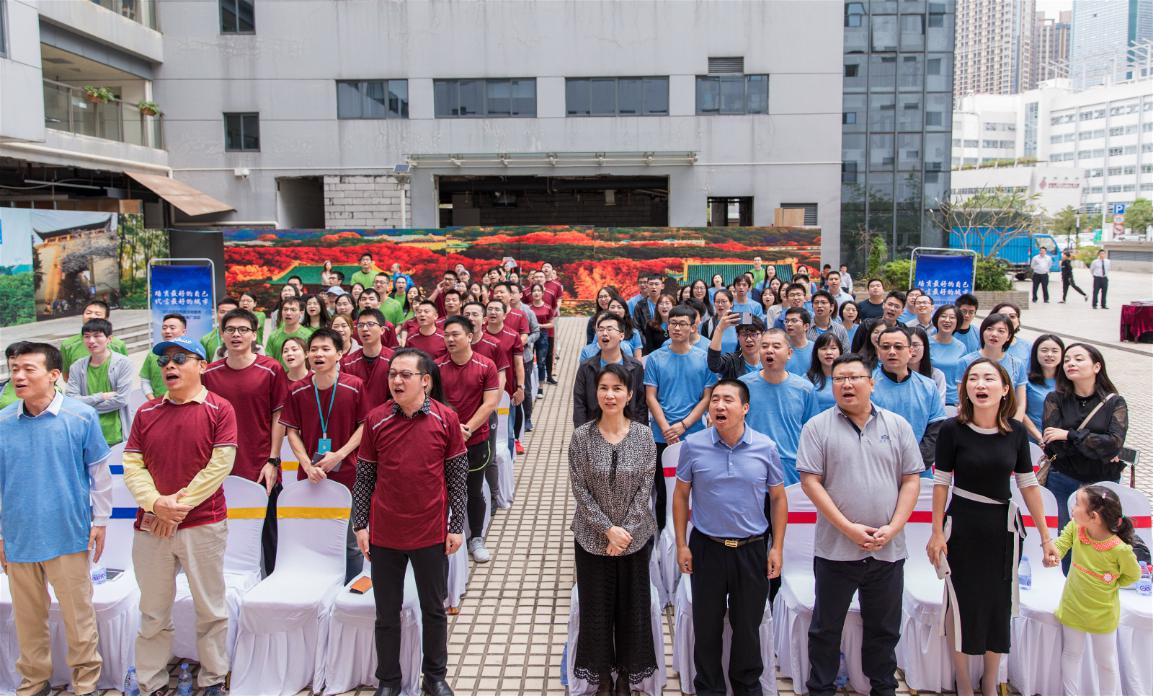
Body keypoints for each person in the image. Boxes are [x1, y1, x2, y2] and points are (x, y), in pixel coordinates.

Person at [927, 359, 1057, 696]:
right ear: (965, 388)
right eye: (973, 378)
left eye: (988, 378)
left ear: (1004, 389)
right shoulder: (952, 429)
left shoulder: (1015, 431)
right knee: (960, 602)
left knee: (999, 605)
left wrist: (1046, 538)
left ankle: (990, 679)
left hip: (1003, 530)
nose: (980, 384)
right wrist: (937, 532)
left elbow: (1028, 484)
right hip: (962, 527)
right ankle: (963, 681)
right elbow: (941, 483)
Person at [797, 354, 923, 696]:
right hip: (836, 550)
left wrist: (893, 527)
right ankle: (821, 689)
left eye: (854, 377)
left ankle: (882, 688)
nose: (847, 385)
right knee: (826, 629)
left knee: (884, 629)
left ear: (872, 383)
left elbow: (911, 480)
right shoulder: (817, 427)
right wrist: (848, 528)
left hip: (887, 550)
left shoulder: (897, 425)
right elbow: (810, 482)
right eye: (839, 379)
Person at [122, 336, 236, 696]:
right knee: (153, 612)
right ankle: (151, 682)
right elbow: (133, 465)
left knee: (211, 610)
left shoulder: (220, 409)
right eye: (164, 361)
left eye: (180, 358)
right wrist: (156, 504)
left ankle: (213, 678)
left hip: (203, 524)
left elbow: (219, 466)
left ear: (202, 366)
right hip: (151, 527)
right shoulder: (146, 412)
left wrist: (174, 509)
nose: (169, 365)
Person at [353, 349, 467, 696]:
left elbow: (457, 477)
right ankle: (389, 680)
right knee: (386, 612)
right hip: (385, 532)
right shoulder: (376, 420)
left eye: (405, 375)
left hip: (430, 531)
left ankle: (434, 676)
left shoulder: (446, 419)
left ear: (425, 381)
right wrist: (360, 524)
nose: (397, 381)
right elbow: (365, 476)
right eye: (392, 375)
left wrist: (456, 526)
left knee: (434, 609)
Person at [1, 342, 111, 696]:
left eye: (28, 369)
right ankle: (34, 682)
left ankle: (86, 683)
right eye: (14, 369)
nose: (18, 376)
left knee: (78, 616)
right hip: (19, 536)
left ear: (53, 375)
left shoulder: (81, 417)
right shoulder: (3, 422)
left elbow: (99, 475)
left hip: (68, 533)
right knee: (27, 619)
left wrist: (100, 521)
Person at [673, 379, 786, 696]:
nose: (719, 406)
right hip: (707, 547)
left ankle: (746, 686)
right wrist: (682, 544)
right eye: (715, 400)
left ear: (745, 408)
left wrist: (777, 547)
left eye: (728, 400)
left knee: (747, 627)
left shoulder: (765, 447)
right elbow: (681, 495)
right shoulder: (693, 445)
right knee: (706, 626)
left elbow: (778, 498)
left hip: (751, 549)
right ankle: (709, 687)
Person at [569, 363, 658, 695]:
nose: (610, 395)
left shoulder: (644, 436)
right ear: (596, 393)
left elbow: (645, 489)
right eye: (604, 388)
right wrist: (608, 530)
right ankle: (602, 676)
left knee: (632, 610)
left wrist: (624, 533)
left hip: (634, 540)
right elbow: (580, 490)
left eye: (617, 388)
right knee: (596, 610)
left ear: (630, 394)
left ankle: (626, 676)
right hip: (591, 540)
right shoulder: (582, 437)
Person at [202, 308, 289, 575]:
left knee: (269, 534)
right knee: (222, 530)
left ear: (254, 334)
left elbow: (279, 416)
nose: (236, 335)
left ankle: (272, 582)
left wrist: (273, 460)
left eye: (243, 330)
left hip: (261, 465)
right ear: (222, 334)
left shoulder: (271, 369)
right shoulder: (209, 374)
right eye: (230, 330)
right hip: (220, 468)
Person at [281, 328, 366, 582]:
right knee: (313, 537)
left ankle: (349, 587)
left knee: (350, 540)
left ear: (339, 354)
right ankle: (316, 585)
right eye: (314, 349)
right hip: (311, 476)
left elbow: (364, 426)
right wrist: (307, 465)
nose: (318, 354)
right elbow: (292, 431)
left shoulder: (354, 386)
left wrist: (339, 454)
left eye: (326, 349)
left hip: (348, 474)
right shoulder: (297, 390)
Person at [1051, 485, 1141, 696]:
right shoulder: (1076, 528)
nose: (1072, 508)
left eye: (1077, 504)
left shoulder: (1120, 550)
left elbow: (1133, 575)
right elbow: (1062, 543)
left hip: (1103, 614)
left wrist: (1110, 583)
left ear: (1094, 517)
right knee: (1071, 654)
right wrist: (1054, 554)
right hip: (1073, 606)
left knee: (1106, 662)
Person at [1041, 343, 1129, 550]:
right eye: (1067, 360)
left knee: (1101, 542)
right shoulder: (1055, 399)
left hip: (1103, 482)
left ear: (1097, 366)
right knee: (1065, 540)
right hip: (1063, 478)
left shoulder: (1114, 402)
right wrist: (1096, 444)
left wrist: (1069, 435)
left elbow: (1114, 444)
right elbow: (1055, 446)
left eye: (1078, 359)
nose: (1070, 363)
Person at [644, 306, 717, 531]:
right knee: (663, 491)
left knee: (696, 488)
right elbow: (651, 396)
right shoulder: (655, 358)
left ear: (693, 327)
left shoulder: (704, 359)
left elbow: (707, 397)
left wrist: (684, 425)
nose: (676, 328)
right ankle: (663, 537)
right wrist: (666, 428)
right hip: (661, 436)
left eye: (682, 323)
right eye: (673, 323)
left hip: (694, 434)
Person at [437, 316, 502, 564]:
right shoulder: (436, 367)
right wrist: (452, 430)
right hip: (443, 440)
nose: (450, 339)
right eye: (446, 335)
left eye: (455, 334)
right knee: (442, 491)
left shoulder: (486, 365)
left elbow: (490, 403)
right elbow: (432, 402)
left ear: (470, 336)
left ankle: (476, 538)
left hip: (475, 440)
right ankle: (442, 535)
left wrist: (467, 429)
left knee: (473, 490)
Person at [871, 326, 947, 473]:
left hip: (919, 470)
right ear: (878, 352)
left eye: (898, 347)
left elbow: (935, 431)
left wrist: (914, 464)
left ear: (910, 351)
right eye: (885, 347)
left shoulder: (928, 386)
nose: (892, 352)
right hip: (877, 469)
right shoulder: (867, 385)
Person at [65, 318, 134, 447]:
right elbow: (71, 400)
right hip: (88, 435)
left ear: (109, 339)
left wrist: (85, 405)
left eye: (97, 336)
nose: (91, 341)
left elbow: (121, 400)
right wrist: (101, 396)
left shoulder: (123, 363)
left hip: (117, 436)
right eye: (87, 336)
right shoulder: (76, 367)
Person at [573, 313, 646, 427]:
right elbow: (579, 404)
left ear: (621, 335)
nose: (604, 333)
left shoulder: (635, 367)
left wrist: (639, 432)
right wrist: (582, 432)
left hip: (628, 431)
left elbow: (641, 405)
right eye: (600, 330)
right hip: (593, 430)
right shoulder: (586, 367)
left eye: (609, 329)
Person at [958, 314, 1027, 421]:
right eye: (989, 329)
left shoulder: (1017, 364)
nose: (994, 334)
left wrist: (1015, 425)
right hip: (974, 421)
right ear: (982, 332)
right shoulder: (965, 361)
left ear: (1009, 336)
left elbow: (1020, 403)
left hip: (1008, 421)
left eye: (1001, 331)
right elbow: (962, 398)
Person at [342, 308, 396, 412]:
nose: (365, 329)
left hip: (386, 417)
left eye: (370, 324)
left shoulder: (395, 360)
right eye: (360, 325)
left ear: (382, 330)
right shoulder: (347, 363)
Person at [59, 301, 128, 379]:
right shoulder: (68, 345)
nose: (92, 316)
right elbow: (67, 375)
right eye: (88, 313)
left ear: (106, 318)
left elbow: (124, 373)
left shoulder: (118, 345)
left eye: (97, 314)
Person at [1024, 334, 1064, 444]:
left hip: (1063, 442)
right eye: (1044, 350)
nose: (1049, 354)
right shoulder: (1026, 381)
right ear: (1035, 353)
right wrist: (1039, 438)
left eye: (1055, 351)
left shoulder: (1069, 381)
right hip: (1032, 440)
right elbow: (1020, 412)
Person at [140, 313, 187, 399]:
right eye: (164, 328)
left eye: (172, 328)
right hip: (159, 403)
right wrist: (153, 401)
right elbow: (145, 380)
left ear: (184, 332)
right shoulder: (153, 354)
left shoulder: (192, 353)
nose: (167, 331)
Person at [929, 305, 968, 406]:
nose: (947, 320)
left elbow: (963, 376)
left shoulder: (961, 347)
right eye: (943, 316)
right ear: (937, 319)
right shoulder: (926, 343)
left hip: (953, 401)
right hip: (930, 397)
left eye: (952, 317)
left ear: (957, 322)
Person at [706, 312, 763, 380]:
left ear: (762, 335)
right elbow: (714, 365)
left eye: (753, 334)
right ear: (737, 336)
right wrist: (719, 329)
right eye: (744, 334)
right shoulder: (732, 361)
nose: (748, 339)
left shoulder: (769, 359)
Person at [266, 296, 314, 370]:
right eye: (285, 309)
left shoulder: (308, 335)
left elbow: (311, 361)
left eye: (293, 310)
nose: (288, 313)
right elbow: (269, 359)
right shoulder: (273, 335)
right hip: (278, 375)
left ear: (301, 313)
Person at [908, 326, 948, 404]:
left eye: (915, 345)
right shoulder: (894, 373)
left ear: (925, 347)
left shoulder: (937, 375)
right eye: (907, 345)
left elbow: (939, 406)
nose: (911, 349)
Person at [806, 333, 843, 412]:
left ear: (840, 352)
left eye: (833, 348)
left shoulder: (848, 377)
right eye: (823, 348)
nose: (828, 352)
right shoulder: (808, 379)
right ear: (816, 353)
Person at [528, 283, 555, 386]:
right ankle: (530, 385)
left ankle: (540, 387)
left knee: (541, 362)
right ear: (531, 293)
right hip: (530, 335)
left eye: (539, 291)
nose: (536, 293)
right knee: (528, 361)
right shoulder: (528, 308)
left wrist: (540, 325)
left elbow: (551, 324)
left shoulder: (548, 307)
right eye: (534, 291)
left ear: (543, 293)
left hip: (542, 335)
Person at [782, 307, 814, 376]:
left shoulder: (815, 349)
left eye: (794, 321)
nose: (789, 324)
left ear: (806, 326)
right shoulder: (780, 349)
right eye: (786, 321)